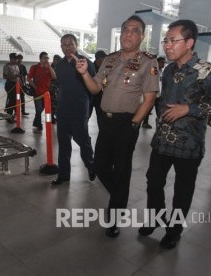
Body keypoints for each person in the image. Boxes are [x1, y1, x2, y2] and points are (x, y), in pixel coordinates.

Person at [139, 20, 211, 249]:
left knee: (182, 190)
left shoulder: (208, 71)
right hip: (162, 141)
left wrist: (190, 109)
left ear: (189, 43)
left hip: (188, 145)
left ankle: (174, 230)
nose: (167, 46)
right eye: (166, 41)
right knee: (153, 182)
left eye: (173, 41)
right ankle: (155, 219)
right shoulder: (169, 70)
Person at [74, 15, 159, 238]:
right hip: (106, 121)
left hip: (126, 123)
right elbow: (94, 89)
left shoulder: (149, 62)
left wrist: (134, 125)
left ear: (142, 36)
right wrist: (84, 74)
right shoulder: (109, 60)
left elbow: (149, 99)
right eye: (125, 29)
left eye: (134, 30)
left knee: (121, 170)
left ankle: (114, 217)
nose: (128, 34)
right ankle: (120, 197)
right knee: (100, 167)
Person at [51, 34, 96, 185]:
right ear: (61, 47)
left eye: (70, 44)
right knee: (63, 144)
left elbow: (93, 87)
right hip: (63, 110)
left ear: (76, 45)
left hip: (79, 110)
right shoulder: (59, 65)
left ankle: (91, 166)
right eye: (64, 44)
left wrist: (87, 108)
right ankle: (64, 175)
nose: (67, 47)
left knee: (83, 141)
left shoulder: (85, 63)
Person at [27, 52, 56, 132]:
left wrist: (49, 66)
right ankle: (39, 125)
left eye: (47, 58)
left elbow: (54, 76)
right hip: (37, 93)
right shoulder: (34, 67)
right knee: (39, 109)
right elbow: (28, 78)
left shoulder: (48, 68)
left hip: (46, 94)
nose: (46, 59)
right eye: (44, 58)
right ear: (40, 59)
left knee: (41, 109)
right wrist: (34, 86)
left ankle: (36, 122)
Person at [91, 50, 107, 128]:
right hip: (89, 97)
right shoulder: (90, 67)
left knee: (101, 117)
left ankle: (102, 132)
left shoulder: (105, 68)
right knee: (85, 117)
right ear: (99, 59)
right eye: (104, 59)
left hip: (100, 97)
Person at [3, 53, 20, 123]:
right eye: (15, 58)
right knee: (11, 101)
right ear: (11, 59)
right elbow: (4, 76)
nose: (16, 60)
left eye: (16, 58)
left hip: (16, 84)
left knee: (15, 101)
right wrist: (14, 76)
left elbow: (18, 76)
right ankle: (9, 117)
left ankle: (12, 116)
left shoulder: (16, 66)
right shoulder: (7, 66)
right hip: (9, 84)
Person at [49, 54, 61, 124]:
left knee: (56, 104)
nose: (55, 61)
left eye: (57, 60)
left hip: (57, 88)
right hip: (51, 88)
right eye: (54, 59)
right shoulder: (51, 67)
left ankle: (54, 117)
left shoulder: (60, 67)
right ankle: (52, 118)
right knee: (52, 104)